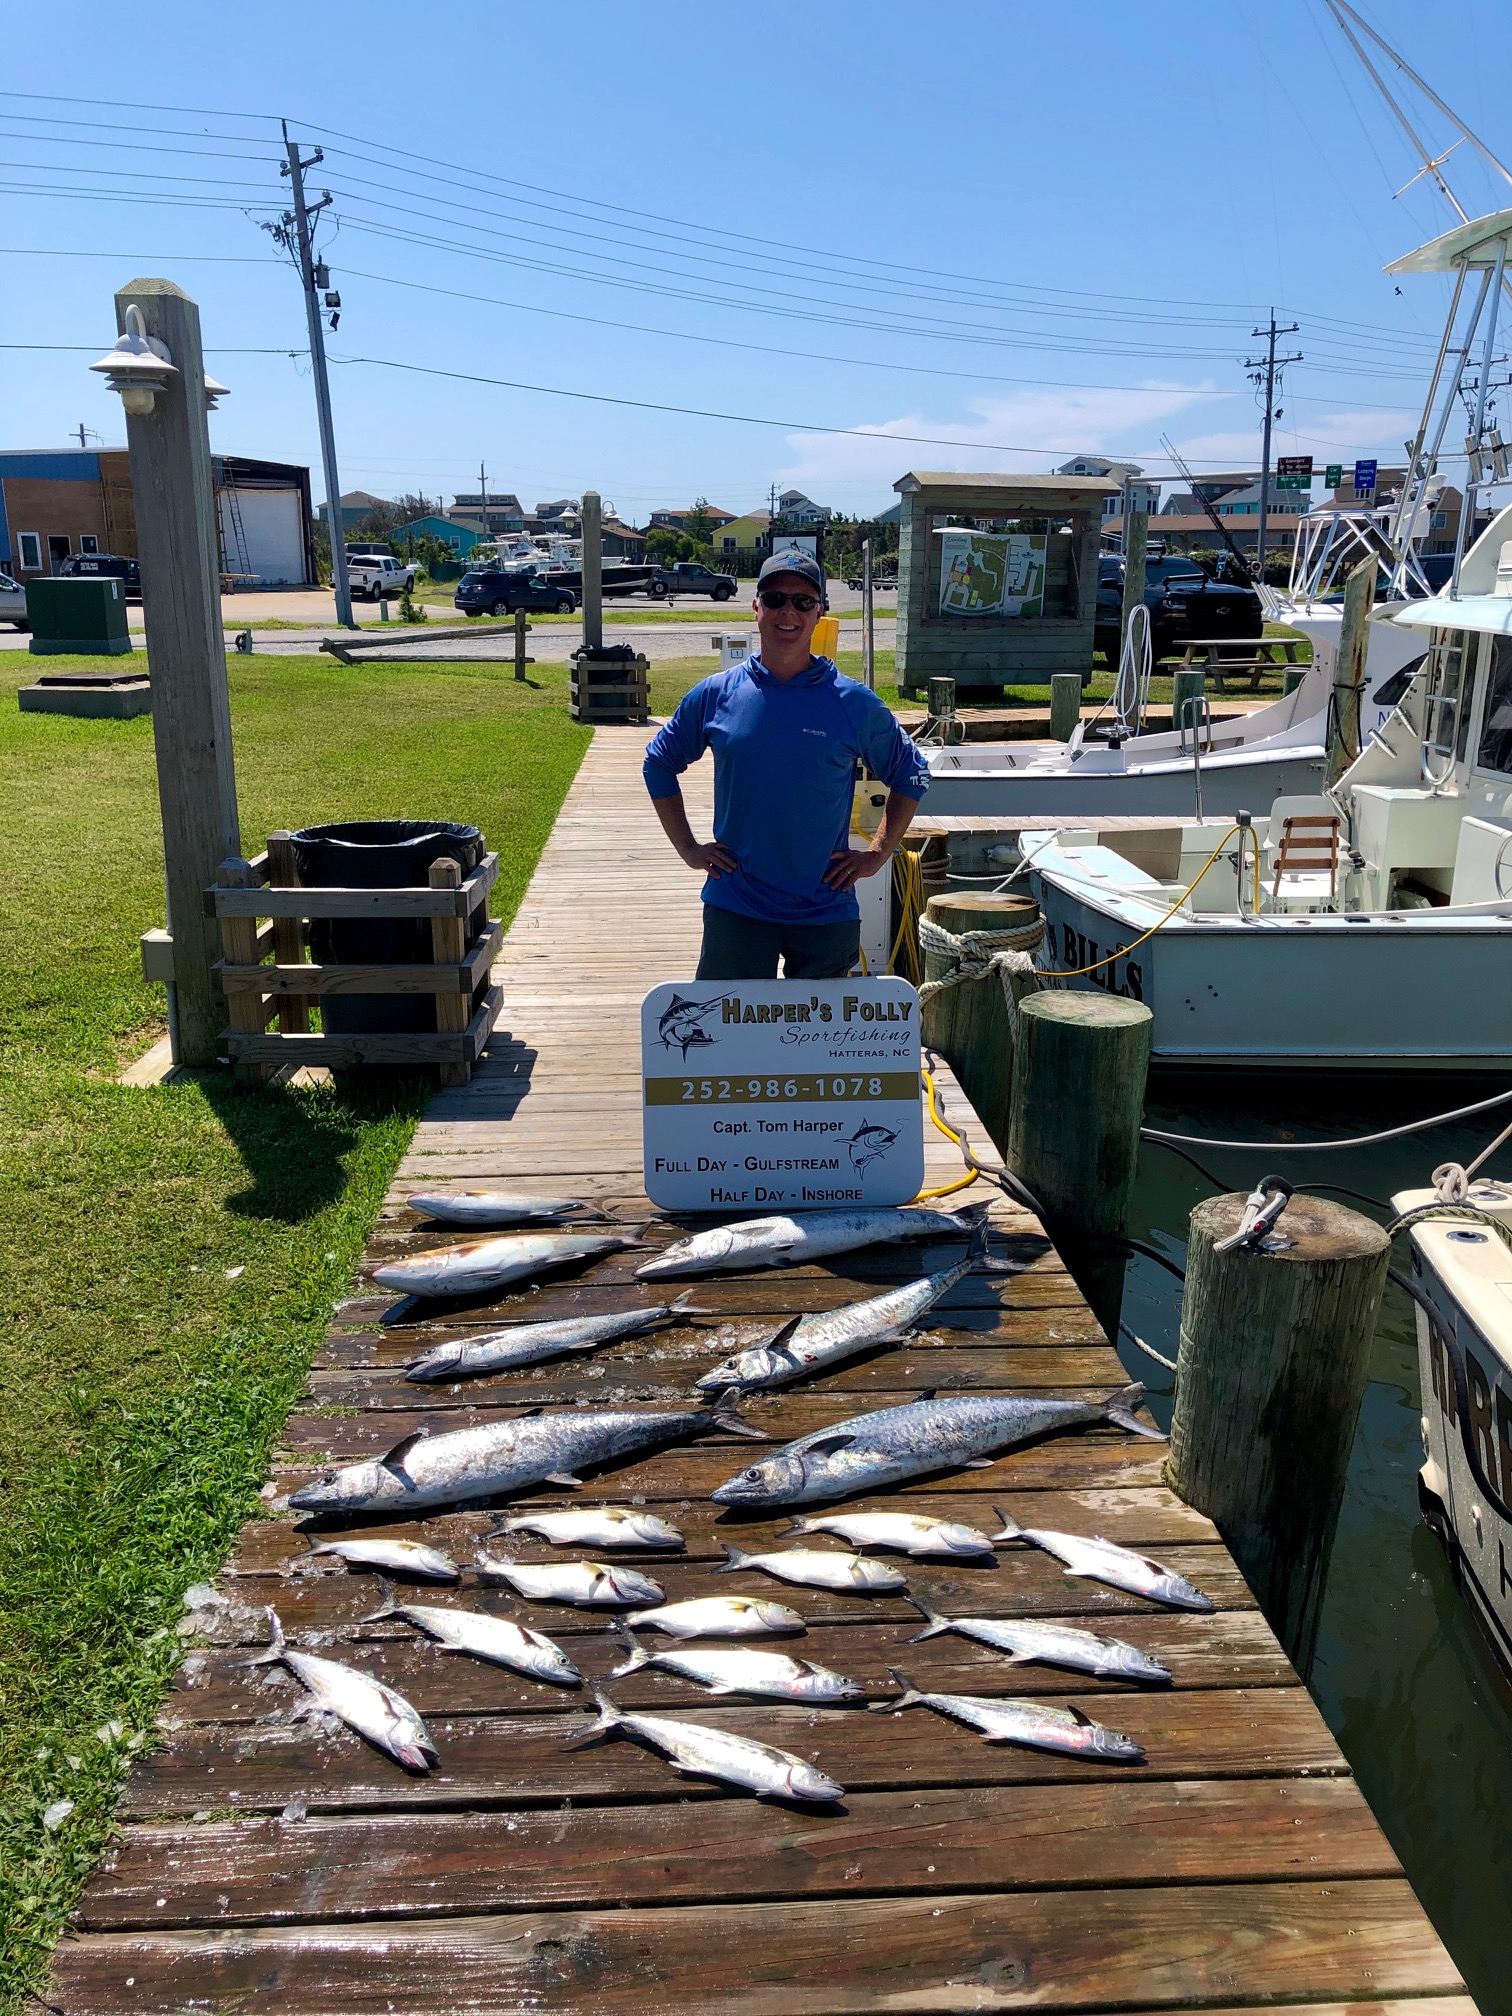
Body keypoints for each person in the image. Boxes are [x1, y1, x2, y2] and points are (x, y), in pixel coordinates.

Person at [643, 547, 929, 981]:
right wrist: (688, 848)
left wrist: (875, 854)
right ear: (756, 607)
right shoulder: (716, 693)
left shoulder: (852, 702)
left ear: (820, 613)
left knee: (822, 1048)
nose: (788, 613)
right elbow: (658, 763)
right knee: (727, 1040)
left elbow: (912, 774)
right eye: (775, 598)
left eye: (803, 601)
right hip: (736, 906)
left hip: (826, 909)